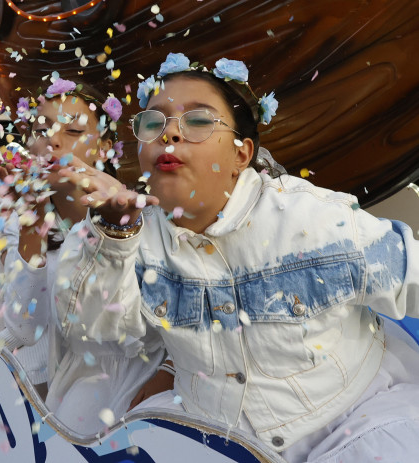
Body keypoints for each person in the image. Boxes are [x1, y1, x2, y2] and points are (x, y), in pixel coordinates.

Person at [53, 52, 419, 461]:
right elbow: (100, 336)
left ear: (241, 155)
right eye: (154, 123)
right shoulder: (131, 233)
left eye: (198, 121)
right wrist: (113, 235)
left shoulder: (311, 220)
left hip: (352, 419)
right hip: (217, 430)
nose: (169, 135)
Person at [0, 79, 163, 434]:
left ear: (106, 147)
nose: (54, 142)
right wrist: (31, 221)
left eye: (74, 130)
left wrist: (166, 373)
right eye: (41, 130)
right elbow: (25, 330)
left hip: (143, 372)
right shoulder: (22, 221)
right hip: (73, 373)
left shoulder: (141, 211)